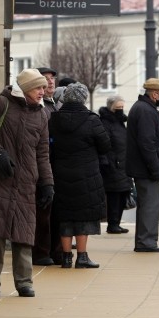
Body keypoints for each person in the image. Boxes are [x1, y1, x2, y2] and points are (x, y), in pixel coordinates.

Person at [0, 68, 54, 297]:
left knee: (24, 232)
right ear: (26, 89)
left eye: (44, 88)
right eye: (38, 87)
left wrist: (48, 183)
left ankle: (24, 282)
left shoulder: (42, 114)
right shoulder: (2, 104)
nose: (42, 92)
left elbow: (43, 153)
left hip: (26, 180)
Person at [48, 83, 111, 268]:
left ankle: (66, 258)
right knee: (83, 216)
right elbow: (105, 145)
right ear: (83, 98)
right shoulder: (92, 120)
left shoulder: (53, 120)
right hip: (87, 175)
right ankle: (82, 257)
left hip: (60, 173)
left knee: (65, 215)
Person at [126, 78, 159, 253]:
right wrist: (155, 168)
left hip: (140, 166)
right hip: (145, 168)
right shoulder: (146, 111)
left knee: (146, 204)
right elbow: (147, 143)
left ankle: (144, 240)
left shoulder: (141, 108)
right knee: (151, 205)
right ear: (154, 94)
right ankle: (146, 242)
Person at [32, 66, 59, 266]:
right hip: (40, 165)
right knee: (42, 212)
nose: (50, 82)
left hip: (53, 165)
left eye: (52, 79)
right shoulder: (38, 106)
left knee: (53, 212)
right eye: (45, 79)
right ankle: (41, 252)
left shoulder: (53, 105)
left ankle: (53, 250)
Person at [98, 94, 132, 234]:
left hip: (124, 164)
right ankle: (112, 224)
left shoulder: (120, 122)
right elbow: (104, 144)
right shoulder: (105, 122)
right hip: (113, 164)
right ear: (111, 107)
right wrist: (107, 162)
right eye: (118, 107)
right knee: (114, 195)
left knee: (123, 194)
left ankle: (116, 223)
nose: (121, 110)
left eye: (122, 107)